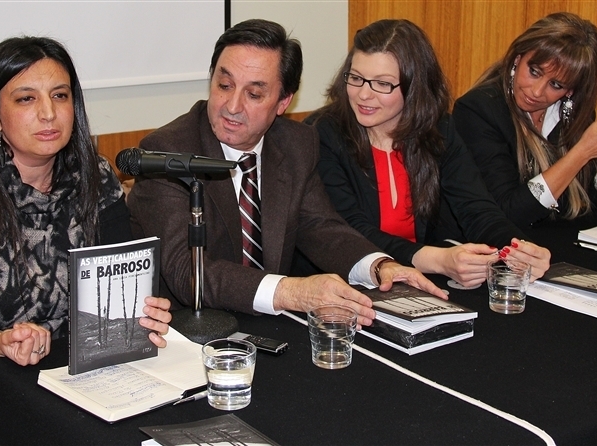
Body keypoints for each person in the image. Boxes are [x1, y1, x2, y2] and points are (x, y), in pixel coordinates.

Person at [0, 37, 172, 445]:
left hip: (63, 376)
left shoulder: (95, 178)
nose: (48, 112)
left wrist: (138, 313)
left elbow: (111, 284)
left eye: (60, 95)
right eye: (26, 98)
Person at [127, 19, 446, 327]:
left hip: (268, 327)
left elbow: (321, 228)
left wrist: (378, 266)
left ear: (283, 102)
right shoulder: (167, 152)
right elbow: (186, 271)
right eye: (224, 85)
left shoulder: (297, 143)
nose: (232, 106)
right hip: (188, 329)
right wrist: (291, 292)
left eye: (254, 94)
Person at [302, 19, 550, 287]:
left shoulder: (439, 129)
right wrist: (438, 260)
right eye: (356, 78)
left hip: (414, 280)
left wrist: (520, 249)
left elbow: (476, 208)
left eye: (382, 84)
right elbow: (349, 231)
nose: (363, 94)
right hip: (345, 282)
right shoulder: (322, 133)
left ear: (415, 86)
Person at [452, 12, 597, 228]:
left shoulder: (571, 112)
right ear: (518, 58)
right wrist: (582, 152)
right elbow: (508, 213)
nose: (536, 92)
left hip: (548, 240)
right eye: (534, 72)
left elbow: (592, 203)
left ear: (571, 91)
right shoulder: (478, 110)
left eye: (556, 85)